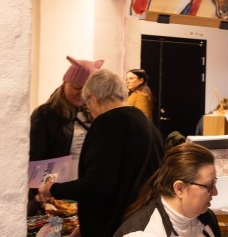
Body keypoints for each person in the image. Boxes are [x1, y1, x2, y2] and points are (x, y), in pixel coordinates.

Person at [38, 69, 164, 237]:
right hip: (139, 224)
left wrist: (53, 189)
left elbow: (97, 185)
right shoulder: (146, 122)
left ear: (92, 98)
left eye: (87, 105)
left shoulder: (107, 123)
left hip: (113, 228)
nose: (89, 111)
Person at [114, 143, 221, 237]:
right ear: (179, 188)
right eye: (209, 186)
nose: (215, 192)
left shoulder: (206, 218)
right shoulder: (144, 233)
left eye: (214, 183)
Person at [30, 56, 104, 175]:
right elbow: (34, 156)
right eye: (77, 87)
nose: (81, 94)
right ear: (65, 84)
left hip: (83, 181)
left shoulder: (92, 113)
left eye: (87, 90)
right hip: (53, 183)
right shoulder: (45, 114)